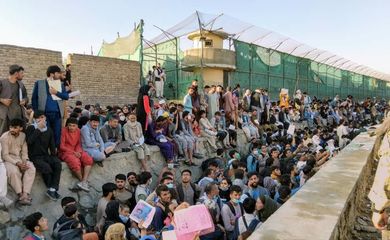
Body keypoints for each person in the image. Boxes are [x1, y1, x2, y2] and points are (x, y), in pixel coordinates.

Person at [26, 110, 62, 201]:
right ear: (35, 119)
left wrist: (54, 156)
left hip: (45, 155)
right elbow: (29, 141)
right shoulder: (31, 128)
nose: (41, 119)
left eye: (42, 117)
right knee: (46, 167)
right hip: (34, 156)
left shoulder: (48, 129)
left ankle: (53, 189)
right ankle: (51, 188)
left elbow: (52, 145)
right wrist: (38, 129)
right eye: (38, 118)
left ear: (45, 118)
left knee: (57, 164)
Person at [32, 65, 69, 146]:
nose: (60, 75)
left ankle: (55, 153)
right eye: (58, 73)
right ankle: (45, 153)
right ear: (52, 74)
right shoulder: (39, 83)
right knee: (45, 134)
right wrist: (36, 113)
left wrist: (56, 93)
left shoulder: (60, 84)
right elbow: (34, 99)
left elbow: (66, 96)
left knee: (57, 134)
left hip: (57, 114)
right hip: (44, 114)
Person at [0, 118, 35, 205]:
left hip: (19, 158)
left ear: (21, 128)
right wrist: (17, 163)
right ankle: (20, 194)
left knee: (31, 168)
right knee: (13, 171)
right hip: (8, 160)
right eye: (11, 127)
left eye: (15, 128)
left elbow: (24, 151)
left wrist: (25, 161)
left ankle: (25, 194)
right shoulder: (4, 137)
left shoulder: (23, 135)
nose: (12, 129)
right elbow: (5, 155)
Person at [59, 117, 93, 191]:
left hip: (77, 150)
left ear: (77, 126)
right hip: (65, 151)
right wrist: (73, 152)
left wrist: (79, 152)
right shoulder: (63, 131)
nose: (71, 127)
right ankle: (82, 181)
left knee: (88, 159)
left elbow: (78, 143)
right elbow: (61, 146)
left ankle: (84, 180)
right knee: (75, 162)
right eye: (70, 125)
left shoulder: (78, 131)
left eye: (73, 125)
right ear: (67, 125)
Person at [0, 64, 28, 135]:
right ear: (16, 74)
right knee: (4, 137)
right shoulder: (2, 83)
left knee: (20, 137)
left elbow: (26, 97)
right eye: (21, 73)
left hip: (19, 116)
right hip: (5, 116)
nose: (23, 75)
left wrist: (24, 100)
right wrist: (2, 100)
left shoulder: (21, 84)